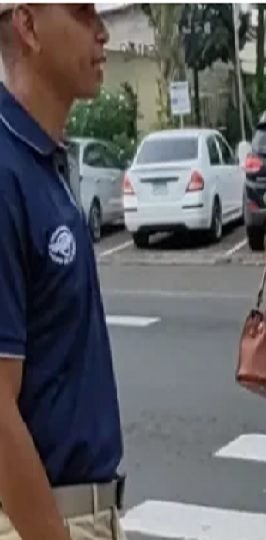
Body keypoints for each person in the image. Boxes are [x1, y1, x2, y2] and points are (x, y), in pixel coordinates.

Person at [0, 3, 125, 540]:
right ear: (27, 26)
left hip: (86, 511)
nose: (102, 31)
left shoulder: (43, 160)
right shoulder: (5, 172)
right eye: (81, 13)